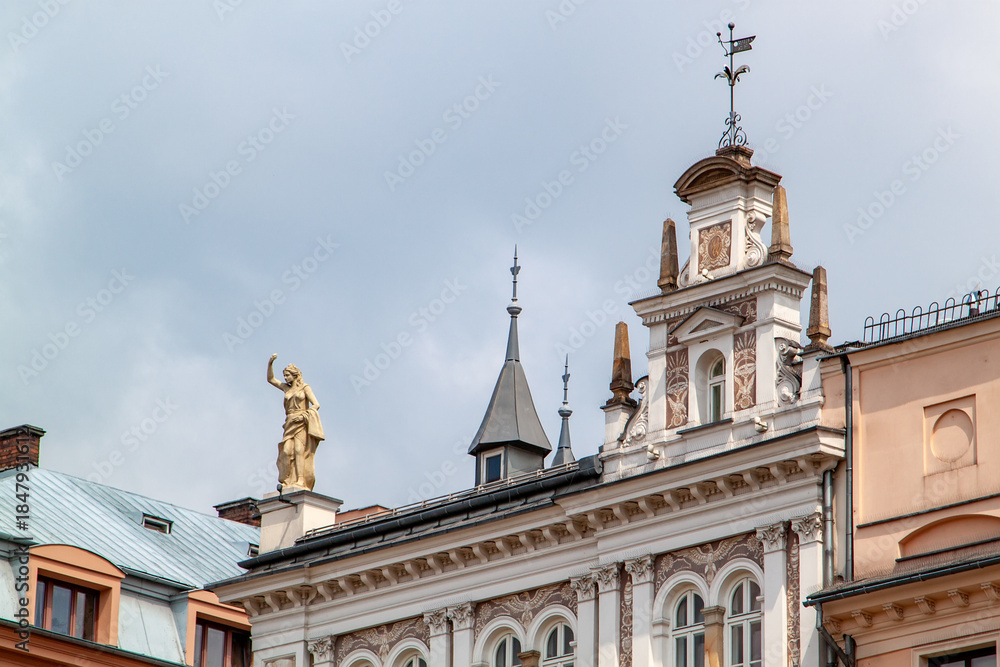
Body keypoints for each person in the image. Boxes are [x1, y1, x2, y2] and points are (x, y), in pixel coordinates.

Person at [267, 354, 325, 491]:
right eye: (285, 375)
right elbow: (270, 379)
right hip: (289, 422)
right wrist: (270, 363)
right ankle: (288, 479)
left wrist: (305, 415)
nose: (285, 378)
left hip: (301, 422)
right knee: (286, 451)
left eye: (287, 375)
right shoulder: (286, 389)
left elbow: (316, 404)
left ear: (294, 375)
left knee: (299, 450)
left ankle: (300, 480)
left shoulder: (305, 388)